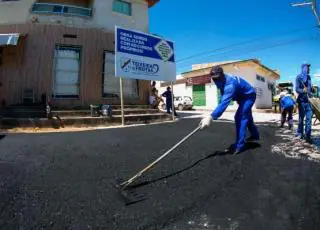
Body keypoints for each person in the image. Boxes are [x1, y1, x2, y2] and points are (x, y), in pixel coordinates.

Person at [199, 66, 260, 155]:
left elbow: (224, 103)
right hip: (241, 97)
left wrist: (211, 116)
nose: (216, 81)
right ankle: (255, 135)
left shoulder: (230, 85)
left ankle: (239, 146)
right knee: (247, 116)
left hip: (248, 96)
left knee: (240, 117)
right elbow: (222, 99)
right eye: (214, 79)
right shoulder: (222, 81)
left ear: (222, 75)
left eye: (218, 78)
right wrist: (213, 113)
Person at [295, 63, 313, 143]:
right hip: (301, 102)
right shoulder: (298, 77)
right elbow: (297, 89)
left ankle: (308, 136)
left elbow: (309, 88)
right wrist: (303, 90)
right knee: (301, 119)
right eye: (308, 68)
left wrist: (311, 90)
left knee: (309, 119)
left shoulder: (309, 77)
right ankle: (300, 134)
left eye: (309, 68)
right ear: (304, 68)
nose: (309, 69)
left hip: (309, 101)